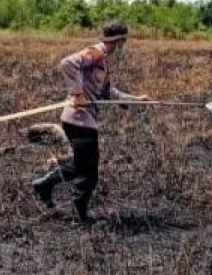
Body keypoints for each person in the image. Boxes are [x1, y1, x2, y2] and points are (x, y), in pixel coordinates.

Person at [32, 20, 150, 223]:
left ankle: (44, 186)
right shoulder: (97, 52)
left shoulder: (102, 61)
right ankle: (78, 213)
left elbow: (107, 92)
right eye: (124, 41)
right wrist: (77, 94)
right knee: (89, 173)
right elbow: (68, 63)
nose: (125, 46)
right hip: (79, 120)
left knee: (81, 166)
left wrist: (135, 99)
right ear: (119, 40)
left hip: (80, 120)